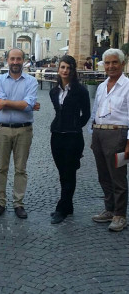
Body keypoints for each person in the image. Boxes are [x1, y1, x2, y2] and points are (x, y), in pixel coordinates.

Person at [0, 48, 39, 219]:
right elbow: (0, 103)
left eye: (18, 59)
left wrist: (7, 102)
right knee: (1, 168)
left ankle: (18, 203)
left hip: (24, 130)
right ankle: (0, 202)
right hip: (2, 129)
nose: (15, 62)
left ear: (24, 61)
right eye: (12, 59)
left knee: (21, 169)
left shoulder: (32, 81)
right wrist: (21, 104)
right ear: (7, 60)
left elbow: (28, 105)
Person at [91, 48, 129, 232]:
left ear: (122, 64)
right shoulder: (101, 86)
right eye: (107, 63)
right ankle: (109, 209)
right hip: (99, 133)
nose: (110, 66)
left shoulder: (128, 86)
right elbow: (95, 110)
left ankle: (120, 214)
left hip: (117, 135)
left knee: (118, 177)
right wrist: (93, 133)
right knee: (103, 175)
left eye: (114, 62)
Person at [49, 55, 90, 224]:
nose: (65, 71)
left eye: (69, 68)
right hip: (56, 135)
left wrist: (75, 127)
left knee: (69, 172)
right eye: (63, 67)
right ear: (59, 69)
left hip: (73, 137)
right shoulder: (54, 91)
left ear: (73, 70)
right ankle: (69, 205)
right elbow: (58, 112)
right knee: (62, 172)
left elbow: (86, 114)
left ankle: (62, 208)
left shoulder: (81, 91)